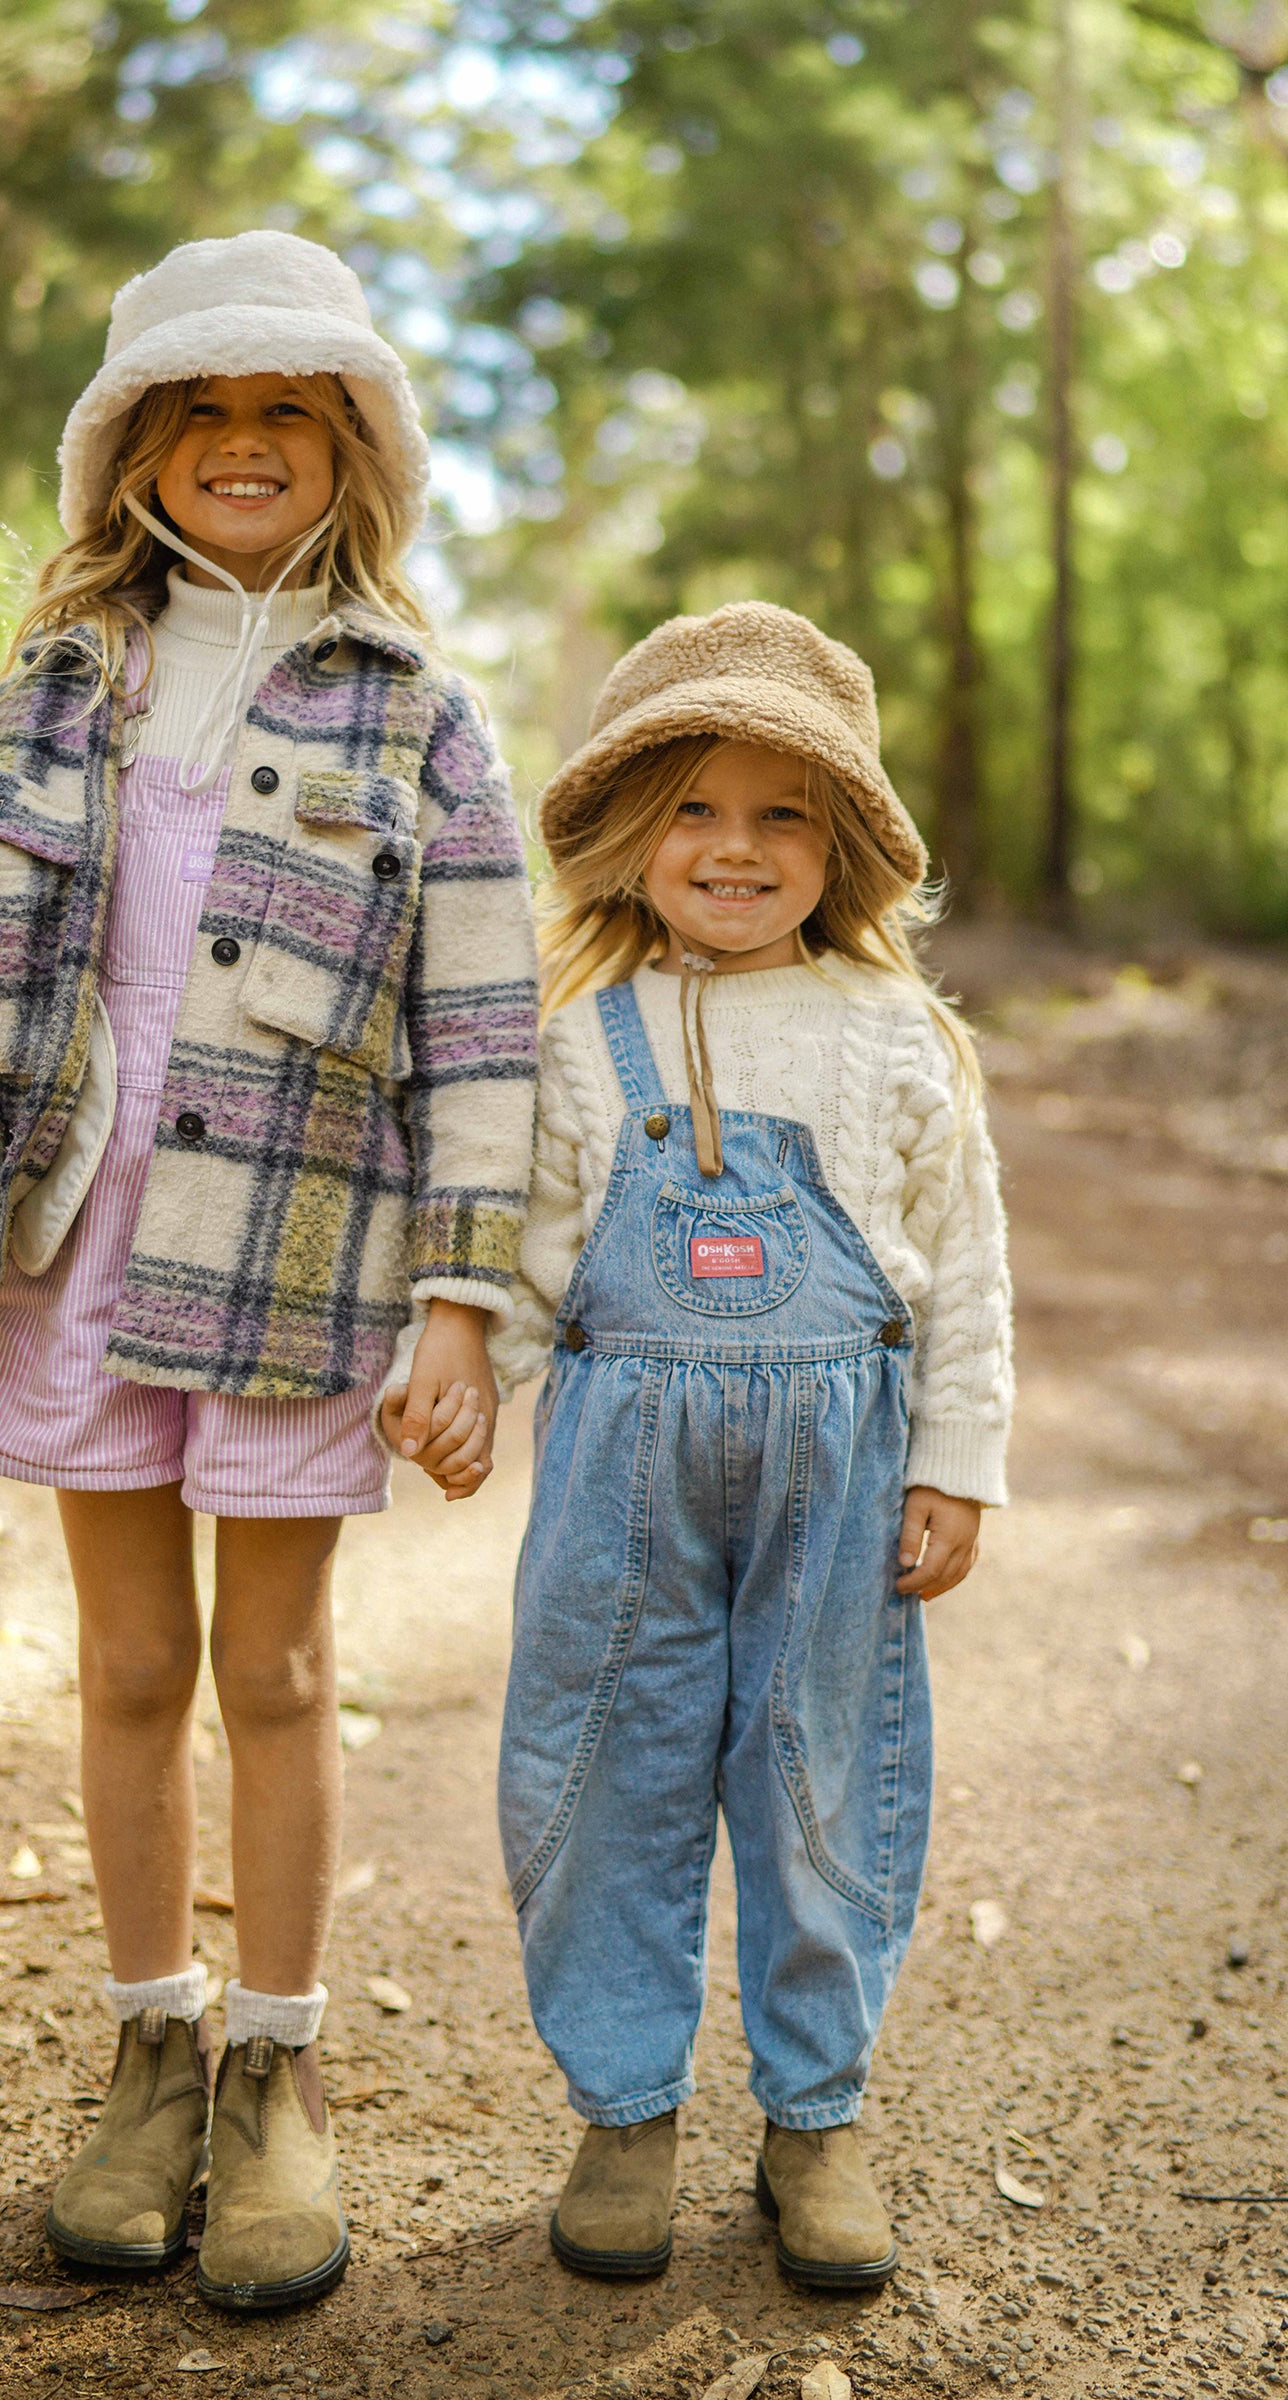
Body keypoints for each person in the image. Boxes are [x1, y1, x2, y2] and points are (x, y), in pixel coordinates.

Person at [0, 232, 537, 2312]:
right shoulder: (29, 710)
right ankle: (149, 2042)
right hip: (68, 1257)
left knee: (280, 1674)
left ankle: (276, 2078)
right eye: (202, 411)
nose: (243, 447)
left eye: (289, 415)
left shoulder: (420, 721)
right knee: (135, 1671)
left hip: (305, 1268)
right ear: (130, 451)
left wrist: (459, 1297)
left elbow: (482, 1026)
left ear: (355, 456)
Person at [489, 603, 1012, 2291]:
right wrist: (463, 1368)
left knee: (820, 1777)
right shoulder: (581, 1036)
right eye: (696, 808)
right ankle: (626, 2109)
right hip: (619, 1474)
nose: (736, 847)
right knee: (603, 1773)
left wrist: (959, 1457)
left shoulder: (893, 1034)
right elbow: (533, 1247)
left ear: (842, 842)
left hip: (839, 1475)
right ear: (632, 836)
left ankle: (816, 2119)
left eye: (784, 811)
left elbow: (967, 1267)